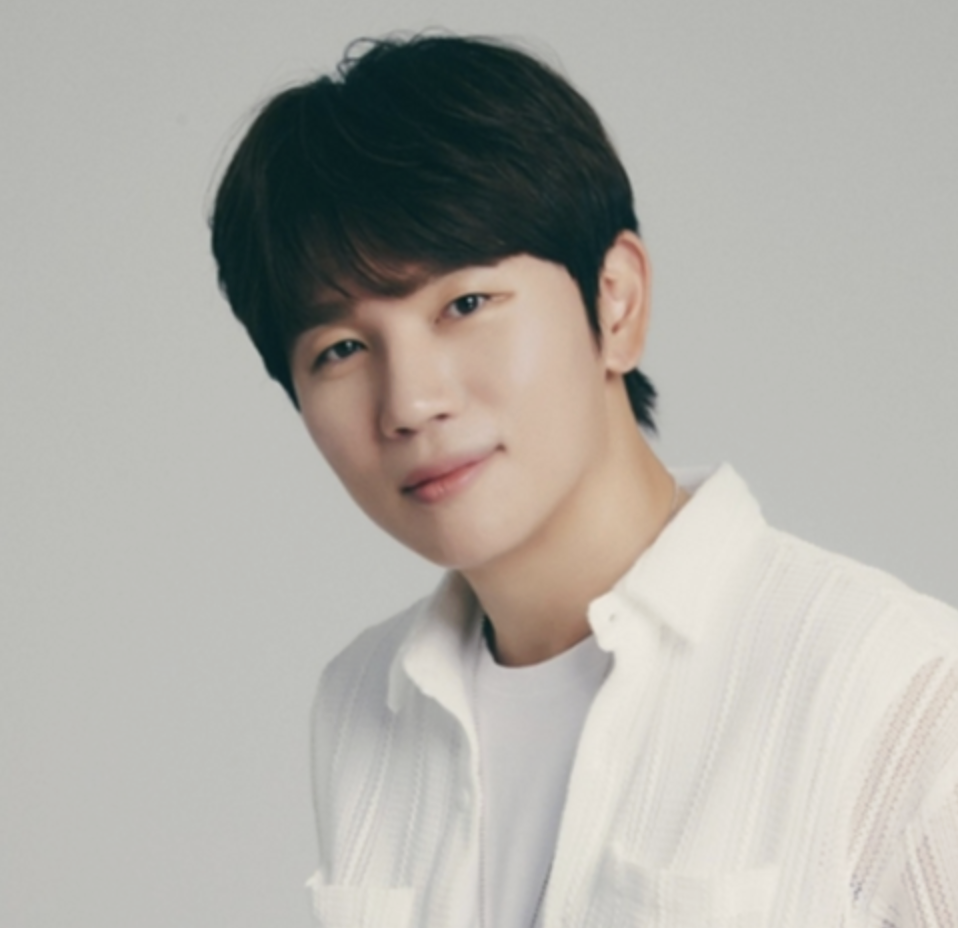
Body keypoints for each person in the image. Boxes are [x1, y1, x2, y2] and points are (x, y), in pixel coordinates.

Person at [210, 34, 958, 928]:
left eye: (465, 304)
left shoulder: (894, 686)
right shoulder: (362, 702)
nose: (409, 402)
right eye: (339, 349)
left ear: (616, 300)